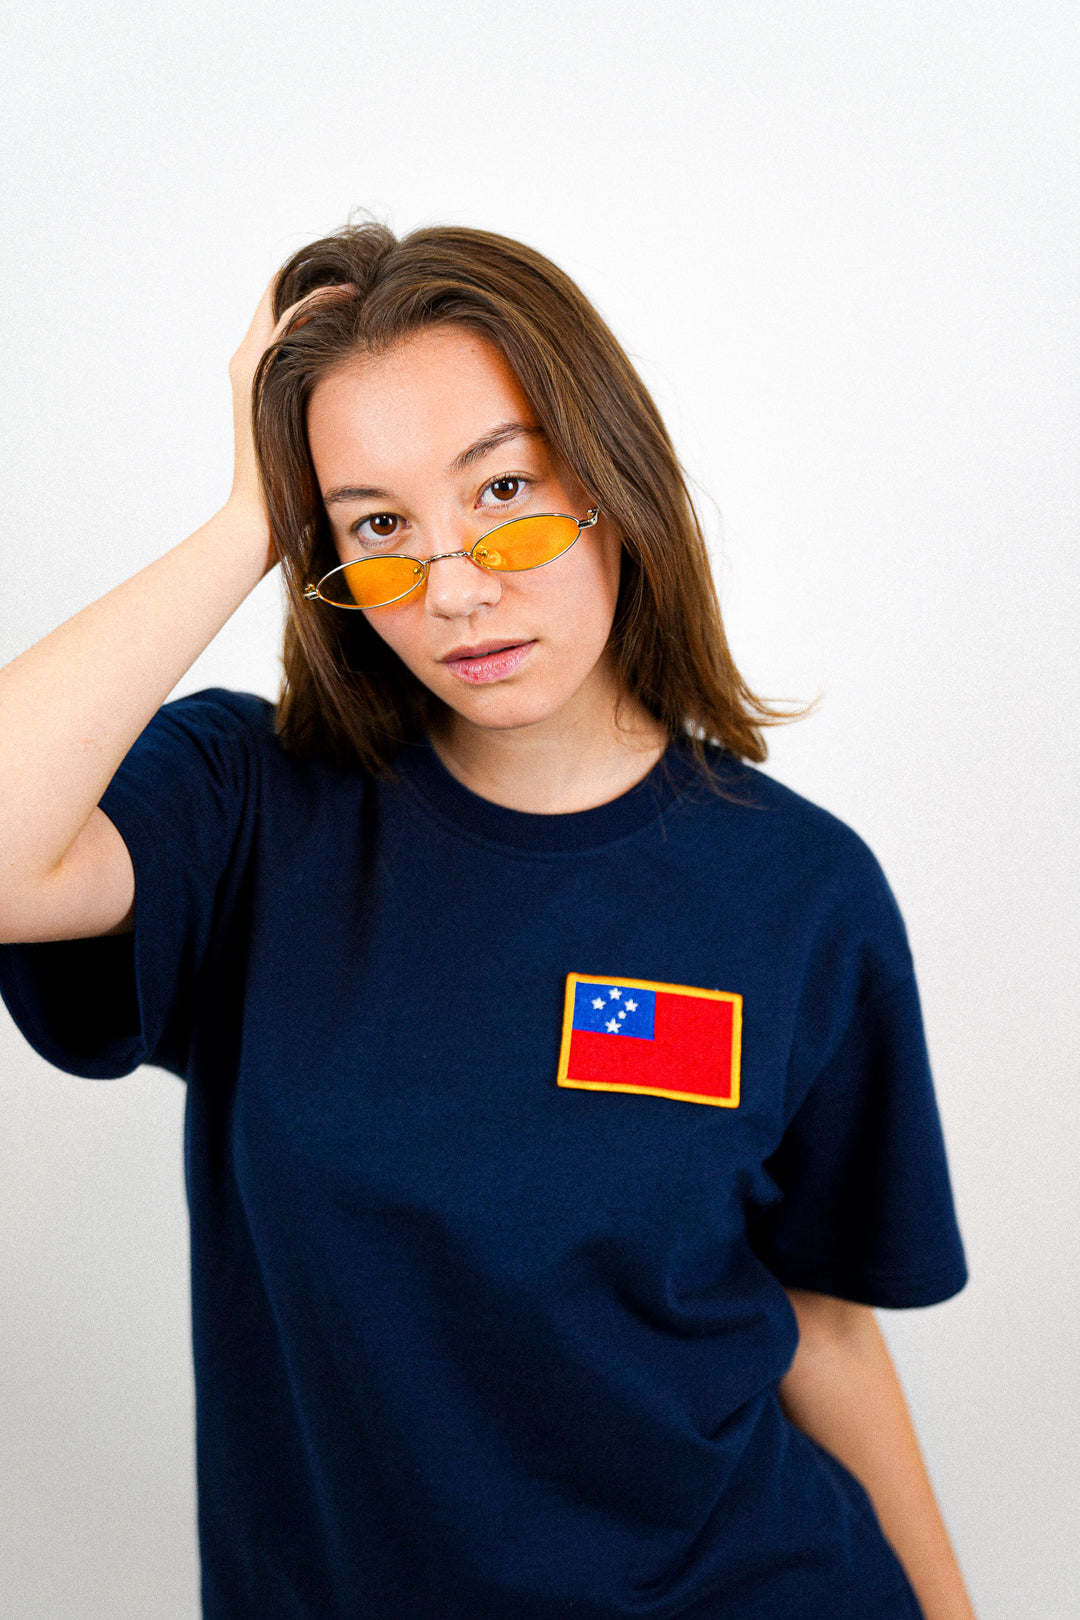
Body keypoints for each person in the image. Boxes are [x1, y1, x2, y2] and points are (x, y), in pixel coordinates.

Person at [0, 221, 976, 1620]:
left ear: (614, 482)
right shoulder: (249, 809)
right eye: (378, 527)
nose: (456, 588)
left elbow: (823, 1322)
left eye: (503, 488)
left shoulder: (800, 891)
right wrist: (248, 517)